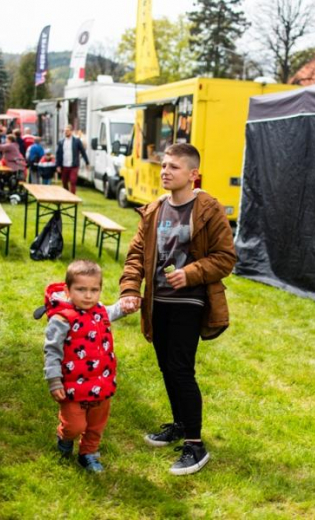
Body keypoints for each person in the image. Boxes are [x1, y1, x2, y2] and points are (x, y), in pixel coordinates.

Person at [119, 143, 236, 476]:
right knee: (166, 367)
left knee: (180, 368)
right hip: (159, 302)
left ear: (193, 174)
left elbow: (225, 258)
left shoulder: (208, 208)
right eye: (164, 166)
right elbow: (135, 257)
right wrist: (130, 290)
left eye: (173, 167)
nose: (165, 171)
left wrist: (192, 273)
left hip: (190, 300)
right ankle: (181, 424)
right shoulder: (154, 209)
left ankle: (195, 445)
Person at [42, 260, 133, 473]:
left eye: (94, 290)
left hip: (102, 383)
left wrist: (126, 306)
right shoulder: (62, 319)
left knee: (95, 426)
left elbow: (114, 310)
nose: (88, 295)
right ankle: (65, 436)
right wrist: (54, 381)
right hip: (72, 387)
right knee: (75, 425)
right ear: (67, 290)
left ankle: (88, 454)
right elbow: (52, 351)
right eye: (81, 289)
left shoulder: (100, 310)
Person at [56, 124, 89, 194]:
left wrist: (87, 162)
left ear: (71, 131)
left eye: (67, 131)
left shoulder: (76, 141)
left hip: (73, 165)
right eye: (65, 131)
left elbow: (83, 152)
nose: (66, 132)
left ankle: (73, 197)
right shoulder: (61, 142)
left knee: (73, 181)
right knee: (64, 182)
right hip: (64, 165)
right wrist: (58, 165)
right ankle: (66, 194)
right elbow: (58, 154)